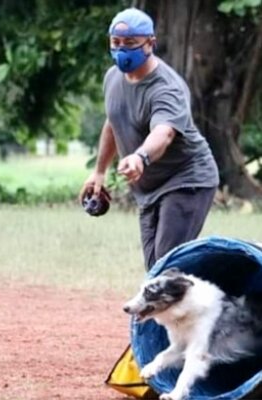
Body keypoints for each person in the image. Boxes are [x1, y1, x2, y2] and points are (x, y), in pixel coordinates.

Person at [79, 8, 218, 270]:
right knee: (156, 266)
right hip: (148, 188)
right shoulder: (113, 78)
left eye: (130, 44)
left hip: (186, 179)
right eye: (116, 43)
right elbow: (113, 121)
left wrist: (140, 156)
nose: (121, 50)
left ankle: (220, 292)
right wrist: (98, 172)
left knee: (167, 264)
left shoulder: (166, 87)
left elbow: (163, 133)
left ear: (150, 44)